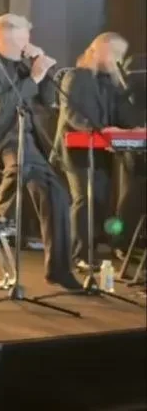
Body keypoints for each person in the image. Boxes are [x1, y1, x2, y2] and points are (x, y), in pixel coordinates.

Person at [0, 13, 81, 291]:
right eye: (23, 39)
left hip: (26, 139)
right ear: (5, 39)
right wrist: (34, 76)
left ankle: (58, 269)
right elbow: (0, 104)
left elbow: (46, 101)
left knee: (57, 193)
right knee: (21, 160)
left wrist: (43, 72)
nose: (28, 44)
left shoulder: (22, 67)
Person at [53, 32, 141, 267]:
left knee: (100, 200)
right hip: (76, 151)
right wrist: (100, 130)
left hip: (102, 150)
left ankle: (96, 248)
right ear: (99, 50)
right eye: (115, 53)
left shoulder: (112, 82)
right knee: (85, 199)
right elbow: (73, 114)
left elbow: (123, 114)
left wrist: (135, 127)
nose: (119, 59)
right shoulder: (75, 77)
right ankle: (79, 254)